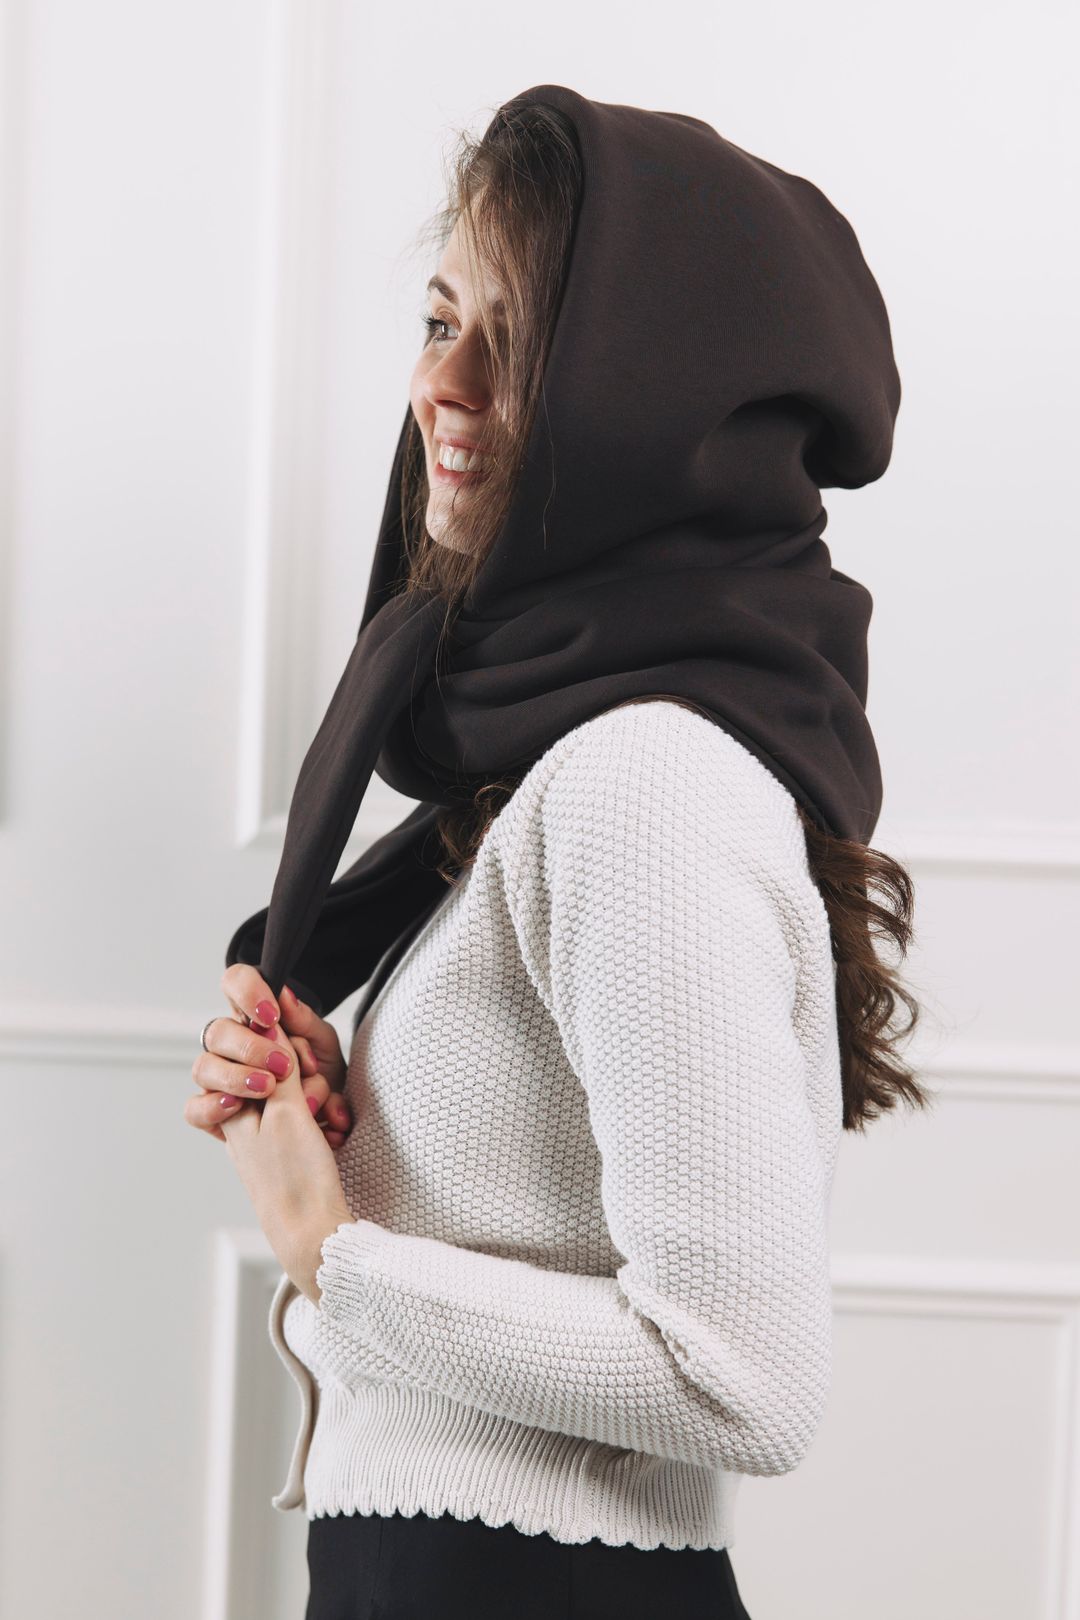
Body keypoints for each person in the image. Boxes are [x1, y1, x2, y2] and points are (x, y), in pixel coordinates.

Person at [185, 85, 928, 1619]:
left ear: (656, 405)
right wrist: (356, 1141)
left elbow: (745, 1378)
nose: (440, 386)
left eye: (519, 343)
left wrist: (332, 1248)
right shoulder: (562, 764)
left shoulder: (642, 783)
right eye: (439, 318)